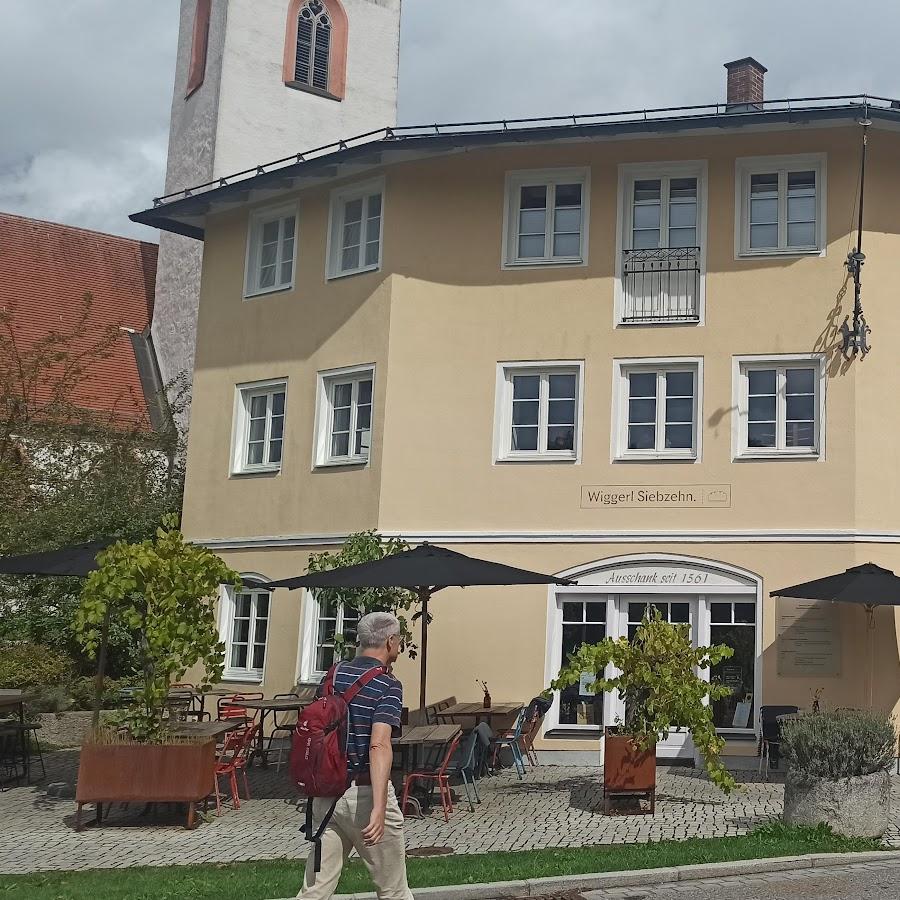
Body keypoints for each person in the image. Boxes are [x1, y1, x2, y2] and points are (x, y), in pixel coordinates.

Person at [298, 611, 413, 900]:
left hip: (326, 795)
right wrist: (379, 807)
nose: (399, 646)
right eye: (399, 641)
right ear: (390, 641)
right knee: (394, 891)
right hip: (364, 794)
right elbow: (379, 745)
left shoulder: (333, 675)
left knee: (315, 890)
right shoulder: (387, 685)